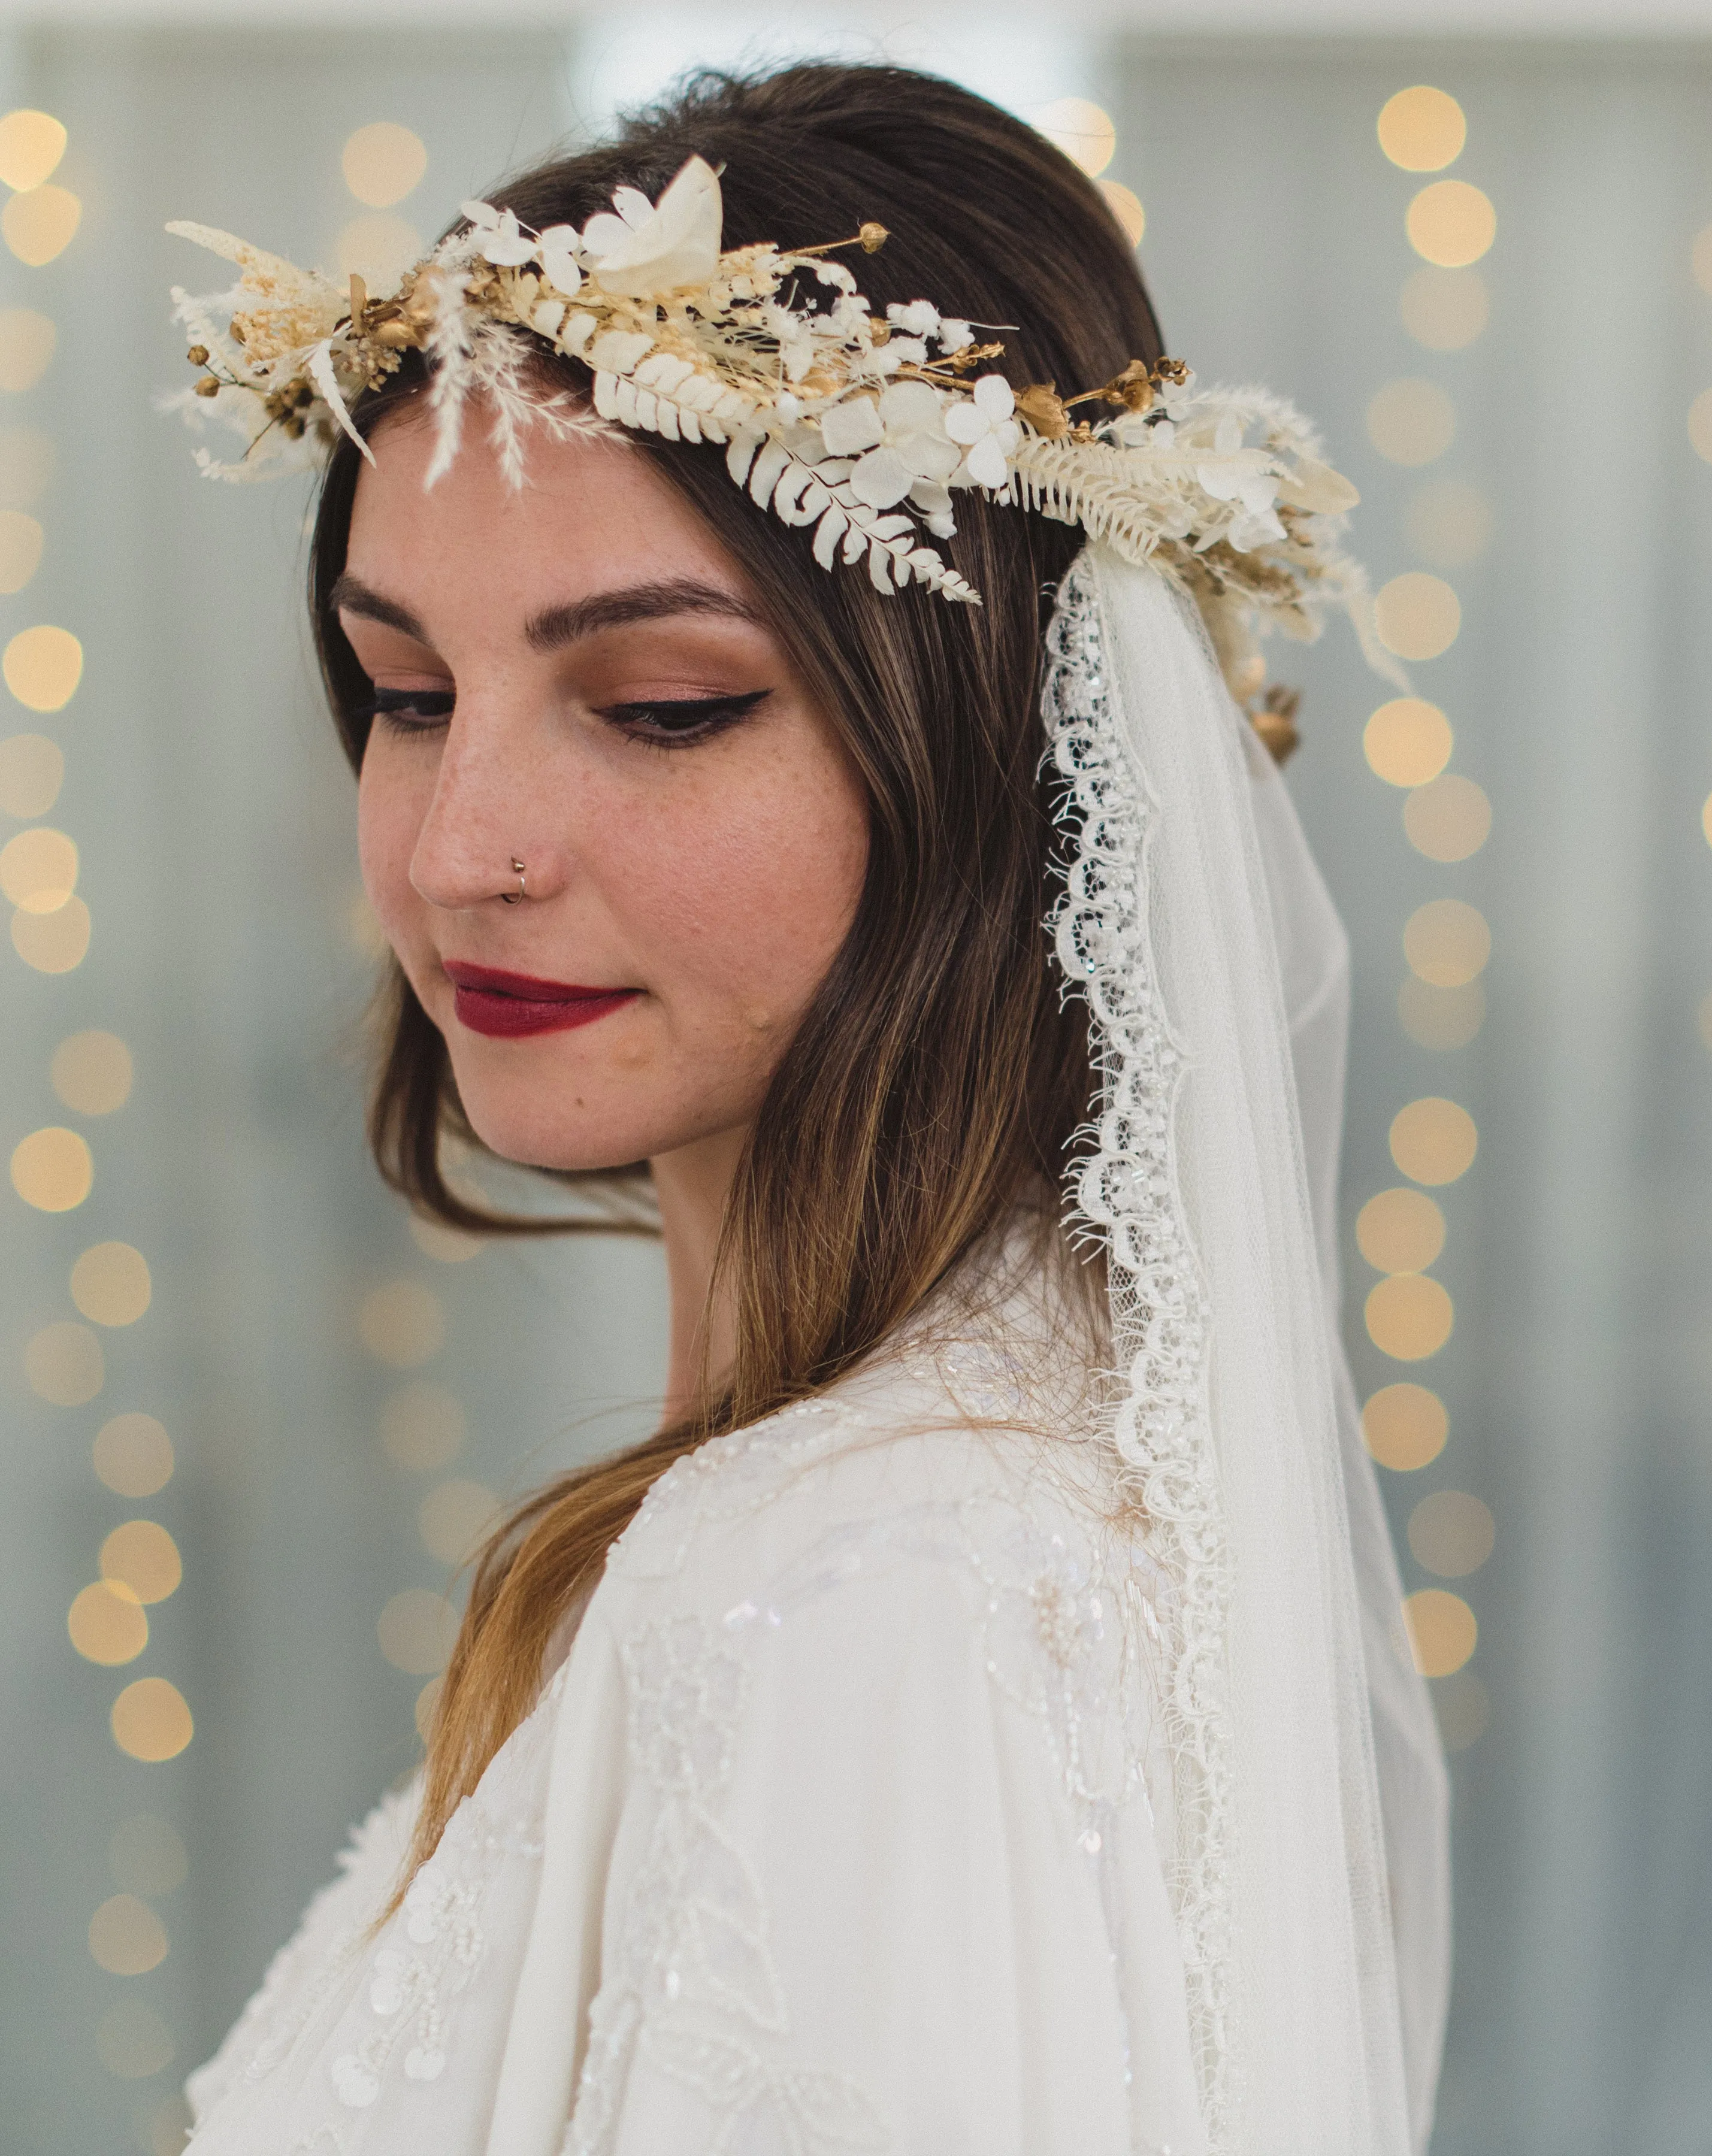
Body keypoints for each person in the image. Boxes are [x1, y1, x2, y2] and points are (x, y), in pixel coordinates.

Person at [164, 60, 1448, 2155]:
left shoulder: (882, 1590)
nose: (457, 845)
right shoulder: (913, 1515)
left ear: (1004, 757)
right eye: (407, 693)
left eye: (664, 708)